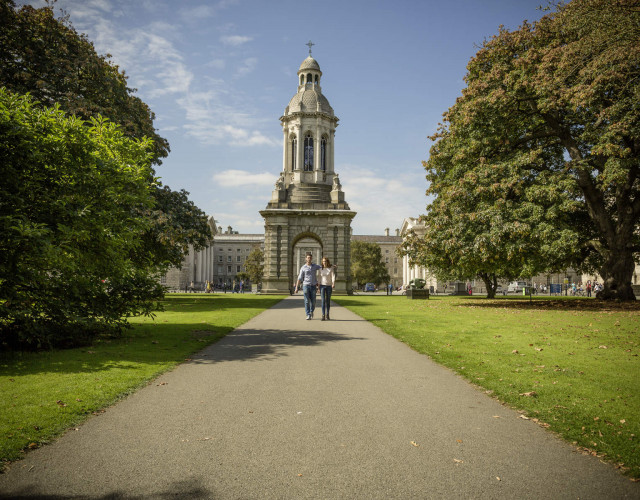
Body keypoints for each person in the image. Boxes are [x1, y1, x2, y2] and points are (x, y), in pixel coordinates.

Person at [294, 252, 322, 320]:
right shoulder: (303, 267)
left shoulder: (315, 266)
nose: (309, 259)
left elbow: (324, 266)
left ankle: (311, 311)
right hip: (306, 285)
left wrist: (332, 265)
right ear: (306, 259)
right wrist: (296, 288)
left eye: (310, 258)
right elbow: (299, 278)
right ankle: (308, 314)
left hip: (313, 286)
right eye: (308, 258)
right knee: (306, 301)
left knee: (313, 301)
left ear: (311, 259)